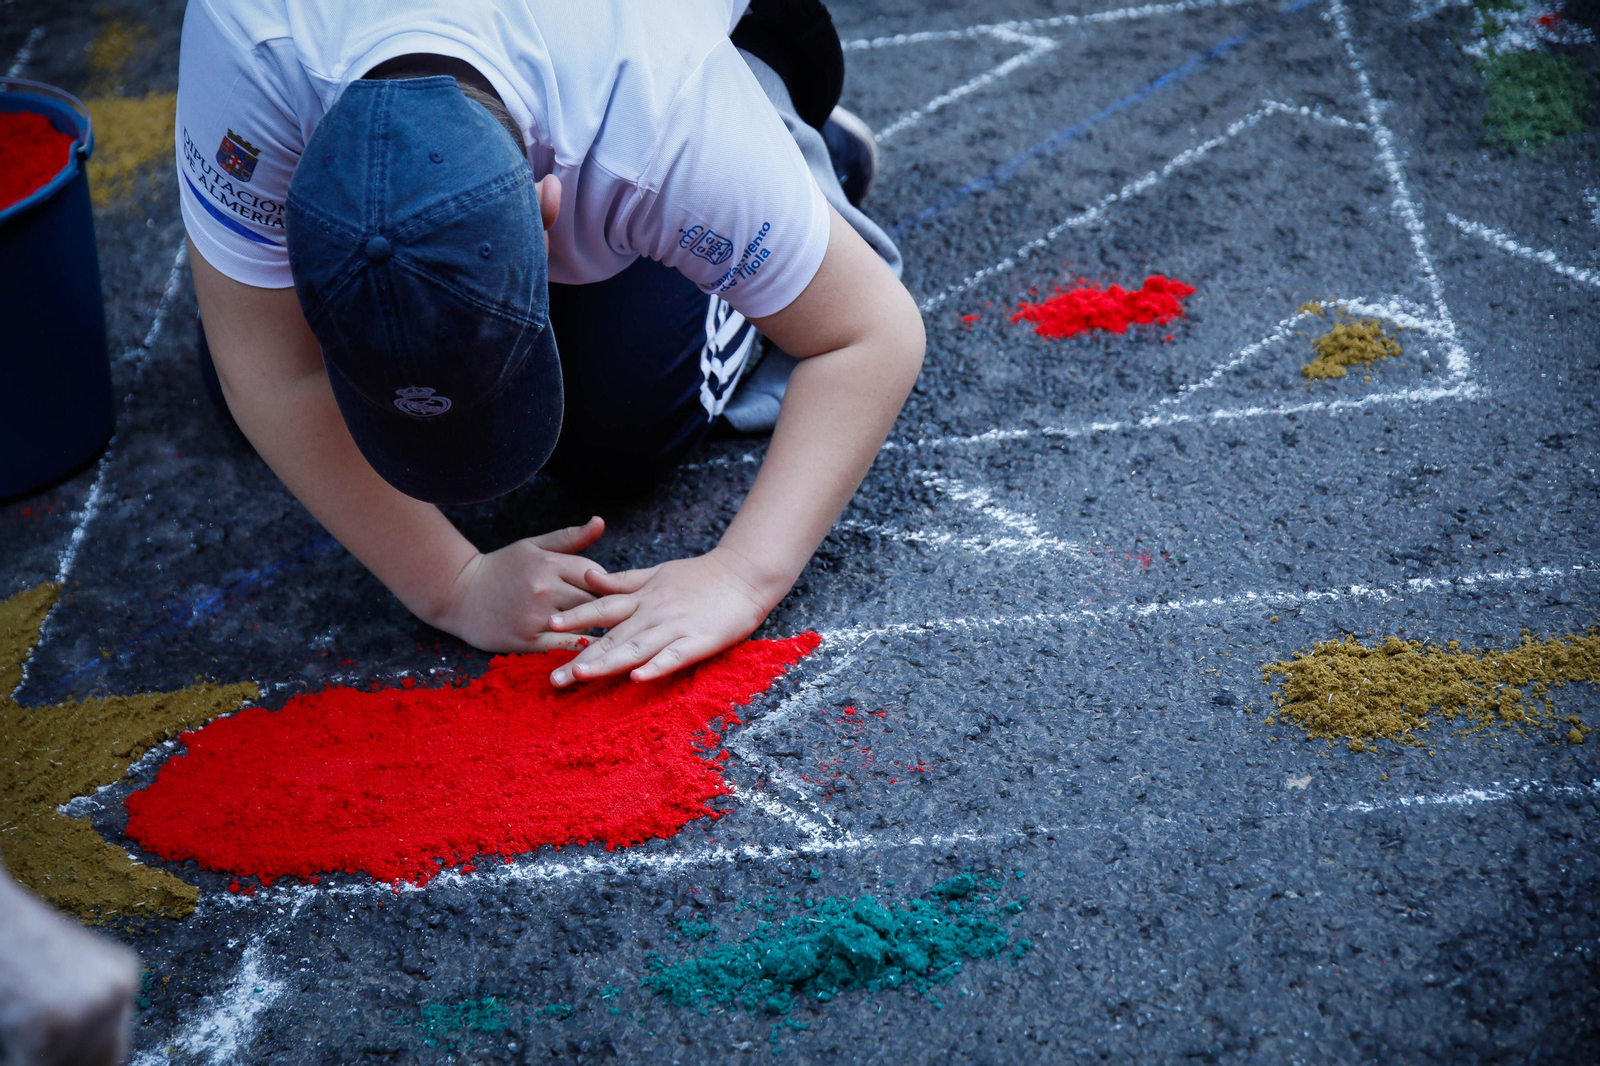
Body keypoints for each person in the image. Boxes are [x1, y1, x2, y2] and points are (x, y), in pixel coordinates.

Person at [177, 0, 923, 687]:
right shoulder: (248, 43)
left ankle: (788, 138)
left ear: (546, 209)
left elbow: (871, 333)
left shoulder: (662, 122)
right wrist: (452, 585)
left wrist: (742, 575)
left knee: (619, 426)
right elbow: (269, 374)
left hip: (736, 36)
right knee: (234, 363)